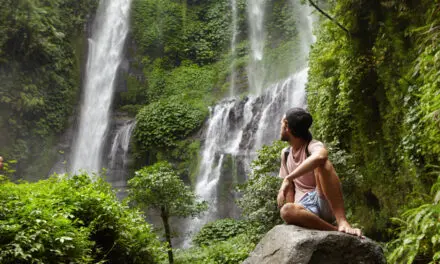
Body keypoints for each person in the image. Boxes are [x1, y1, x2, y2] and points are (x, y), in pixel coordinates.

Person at [277, 107, 362, 237]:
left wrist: (288, 178)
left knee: (323, 164)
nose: (280, 126)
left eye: (282, 123)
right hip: (305, 208)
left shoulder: (313, 145)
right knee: (287, 210)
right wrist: (294, 211)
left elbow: (321, 156)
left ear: (287, 127)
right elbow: (290, 190)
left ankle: (342, 221)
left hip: (322, 199)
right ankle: (333, 230)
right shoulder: (286, 153)